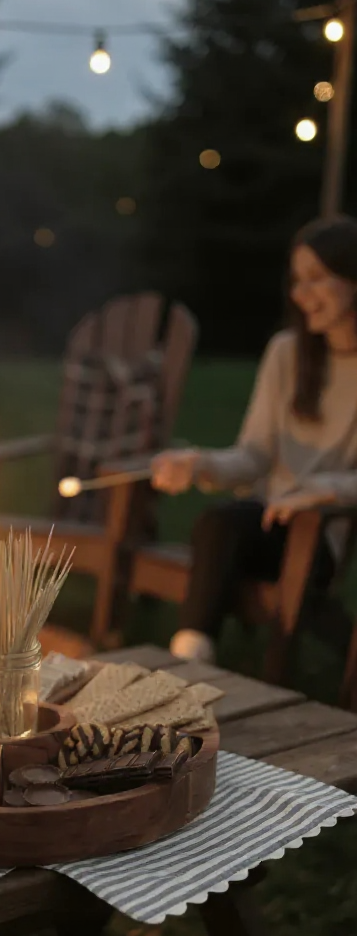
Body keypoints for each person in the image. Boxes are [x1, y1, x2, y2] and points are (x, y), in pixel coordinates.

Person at [152, 214, 357, 663]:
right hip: (263, 524)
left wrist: (325, 491)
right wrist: (200, 463)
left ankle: (190, 664)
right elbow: (255, 454)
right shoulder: (287, 352)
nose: (302, 295)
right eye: (297, 281)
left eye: (317, 279)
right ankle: (190, 656)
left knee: (227, 534)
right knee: (218, 523)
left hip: (319, 535)